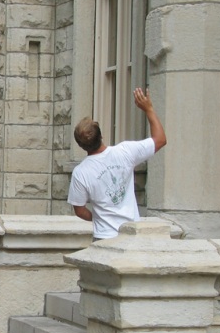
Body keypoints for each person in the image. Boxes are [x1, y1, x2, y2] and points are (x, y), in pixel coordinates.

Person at [68, 87, 167, 240]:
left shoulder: (80, 172)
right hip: (131, 234)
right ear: (101, 136)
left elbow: (79, 210)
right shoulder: (125, 152)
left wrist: (99, 218)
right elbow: (160, 139)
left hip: (104, 235)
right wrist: (149, 109)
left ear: (81, 146)